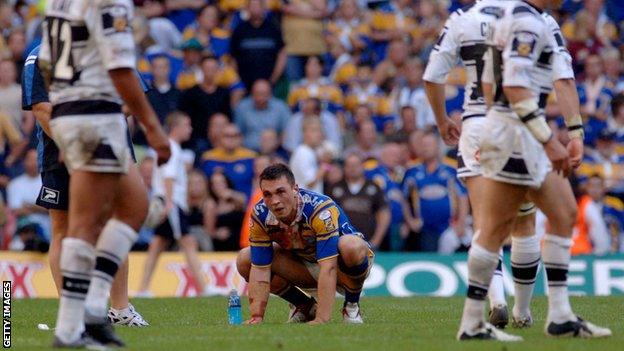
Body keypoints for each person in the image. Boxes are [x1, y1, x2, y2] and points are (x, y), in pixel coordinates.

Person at [423, 0, 588, 329]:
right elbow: (564, 80)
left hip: (477, 124)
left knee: (487, 223)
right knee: (525, 222)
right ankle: (524, 311)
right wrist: (574, 131)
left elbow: (432, 76)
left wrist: (443, 122)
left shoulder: (463, 19)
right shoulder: (535, 20)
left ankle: (495, 301)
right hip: (520, 125)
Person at [455, 0, 610, 340]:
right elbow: (513, 85)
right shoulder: (527, 22)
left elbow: (490, 81)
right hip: (517, 134)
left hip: (517, 131)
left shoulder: (528, 19)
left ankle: (559, 315)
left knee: (565, 212)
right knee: (494, 229)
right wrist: (549, 141)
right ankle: (471, 323)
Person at [39, 0, 171, 347]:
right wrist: (153, 127)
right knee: (85, 225)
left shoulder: (60, 2)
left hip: (72, 111)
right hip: (95, 114)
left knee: (134, 206)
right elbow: (121, 68)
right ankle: (71, 328)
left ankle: (94, 313)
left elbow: (46, 62)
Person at [22, 44, 151, 329]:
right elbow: (41, 110)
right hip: (60, 157)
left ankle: (121, 309)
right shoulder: (39, 56)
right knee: (63, 229)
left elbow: (134, 93)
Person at [236, 163, 374, 325]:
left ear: (295, 189)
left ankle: (351, 306)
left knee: (350, 245)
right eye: (268, 194)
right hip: (304, 265)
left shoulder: (319, 209)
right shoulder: (260, 214)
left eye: (281, 192)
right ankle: (305, 305)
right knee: (246, 259)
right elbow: (260, 269)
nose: (275, 201)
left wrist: (322, 319)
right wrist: (256, 317)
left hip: (341, 265)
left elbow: (328, 267)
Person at [138, 112, 207, 296]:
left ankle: (143, 289)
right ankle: (203, 288)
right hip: (172, 204)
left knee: (157, 245)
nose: (190, 129)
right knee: (188, 242)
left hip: (167, 201)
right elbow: (169, 177)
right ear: (176, 127)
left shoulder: (166, 147)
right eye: (187, 125)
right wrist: (169, 203)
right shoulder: (173, 148)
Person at [328, 153, 390, 250]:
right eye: (349, 165)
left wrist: (376, 241)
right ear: (344, 168)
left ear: (362, 166)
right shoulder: (334, 188)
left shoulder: (374, 187)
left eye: (356, 165)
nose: (353, 168)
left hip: (369, 242)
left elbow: (384, 213)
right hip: (342, 244)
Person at [205, 171, 247, 251]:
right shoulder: (211, 204)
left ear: (227, 183)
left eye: (221, 183)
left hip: (240, 242)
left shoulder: (235, 201)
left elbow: (244, 201)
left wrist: (231, 194)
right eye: (215, 184)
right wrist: (217, 234)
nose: (218, 187)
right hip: (222, 244)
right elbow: (208, 231)